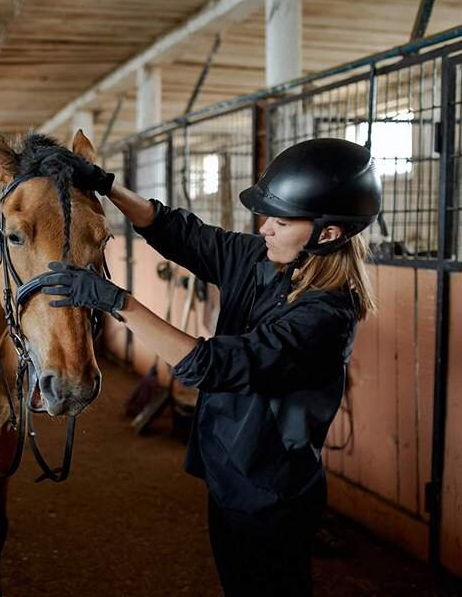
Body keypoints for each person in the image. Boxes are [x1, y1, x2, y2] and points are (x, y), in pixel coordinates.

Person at [39, 138, 382, 596]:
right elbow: (179, 231)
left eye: (280, 221)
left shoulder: (325, 317)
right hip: (228, 469)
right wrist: (108, 187)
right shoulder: (262, 260)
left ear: (329, 234)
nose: (264, 229)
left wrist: (119, 303)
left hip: (269, 491)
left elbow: (212, 365)